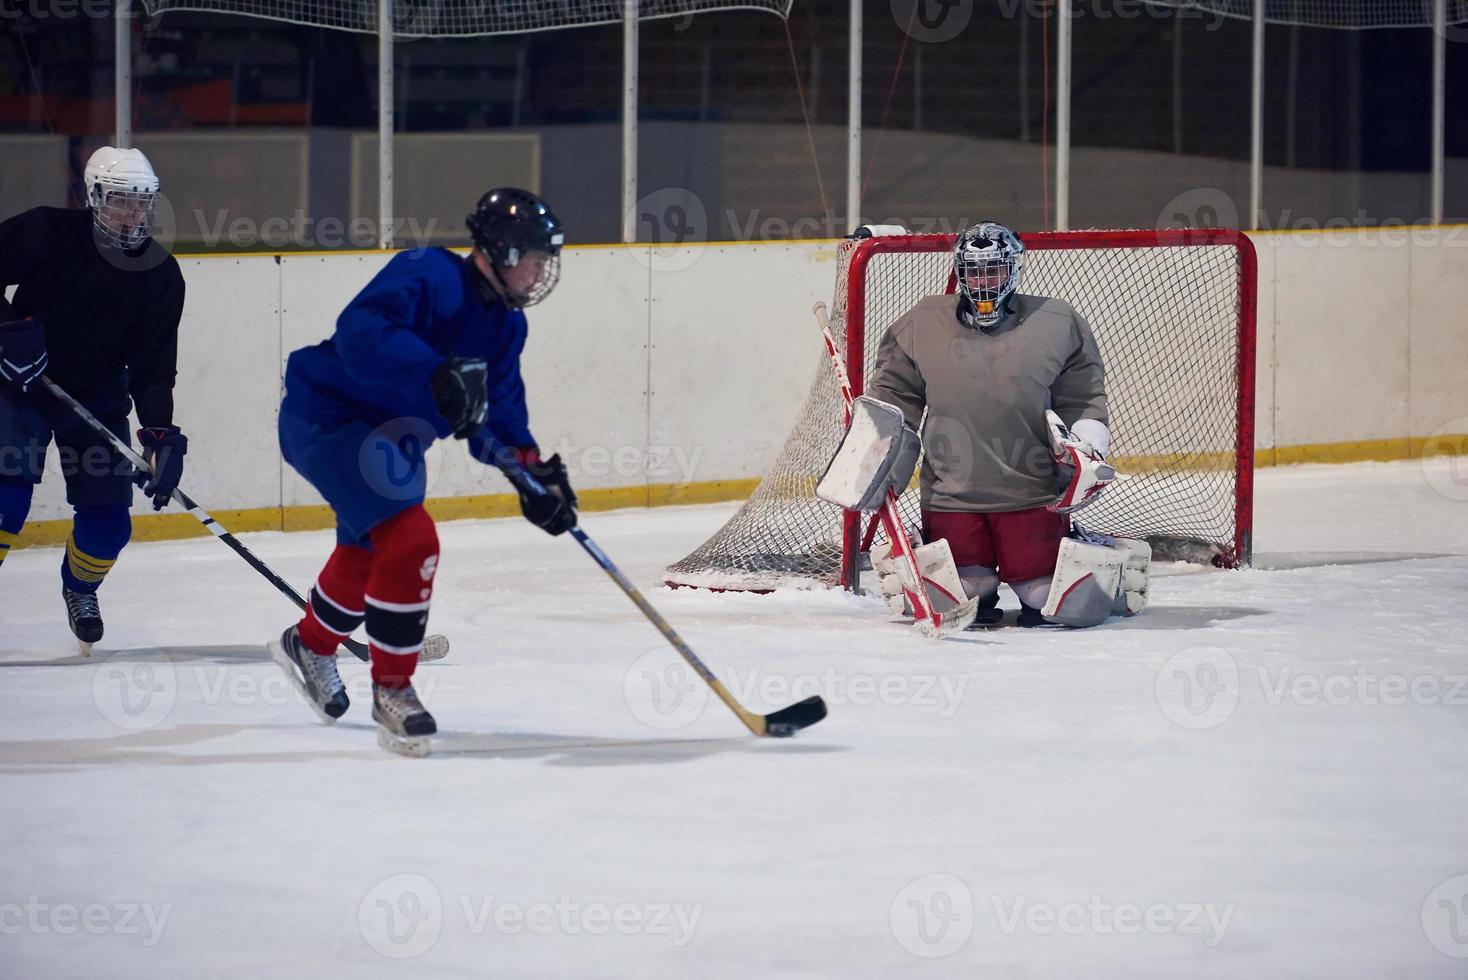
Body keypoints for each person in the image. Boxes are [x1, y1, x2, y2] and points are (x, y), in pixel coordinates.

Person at [269, 187, 576, 754]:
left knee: (368, 553)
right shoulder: (429, 271)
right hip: (332, 418)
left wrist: (535, 477)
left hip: (395, 441)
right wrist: (434, 372)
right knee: (410, 542)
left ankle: (309, 644)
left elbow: (500, 414)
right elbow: (361, 331)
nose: (539, 273)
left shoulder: (508, 327)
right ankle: (394, 690)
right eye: (534, 258)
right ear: (503, 251)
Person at [863, 220, 1142, 628]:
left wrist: (1085, 443)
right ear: (959, 272)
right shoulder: (922, 321)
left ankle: (1083, 549)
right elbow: (894, 394)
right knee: (961, 594)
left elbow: (1081, 397)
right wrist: (874, 441)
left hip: (1031, 495)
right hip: (951, 496)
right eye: (974, 270)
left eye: (993, 269)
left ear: (1013, 269)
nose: (983, 280)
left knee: (1050, 597)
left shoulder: (1057, 321)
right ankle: (976, 581)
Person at [0, 146, 187, 651]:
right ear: (94, 197)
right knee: (5, 498)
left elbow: (152, 367)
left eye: (143, 202)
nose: (134, 214)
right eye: (122, 202)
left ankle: (79, 589)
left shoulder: (160, 275)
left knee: (108, 527)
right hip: (20, 385)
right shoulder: (47, 231)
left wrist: (160, 434)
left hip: (97, 395)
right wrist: (8, 330)